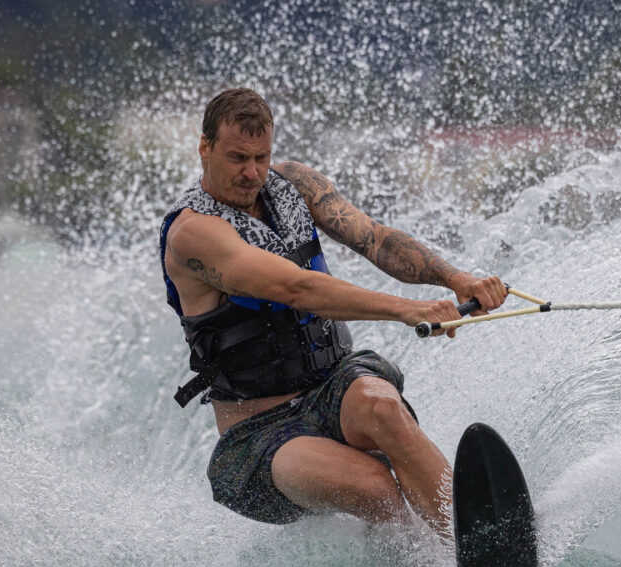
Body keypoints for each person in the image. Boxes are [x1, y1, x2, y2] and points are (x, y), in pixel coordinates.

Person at [159, 88, 506, 537]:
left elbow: (376, 240)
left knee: (382, 407)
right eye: (237, 158)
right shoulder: (193, 233)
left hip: (333, 389)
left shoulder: (294, 185)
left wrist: (458, 280)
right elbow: (296, 288)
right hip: (260, 433)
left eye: (261, 157)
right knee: (375, 488)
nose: (252, 173)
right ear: (204, 148)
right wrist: (408, 310)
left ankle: (476, 545)